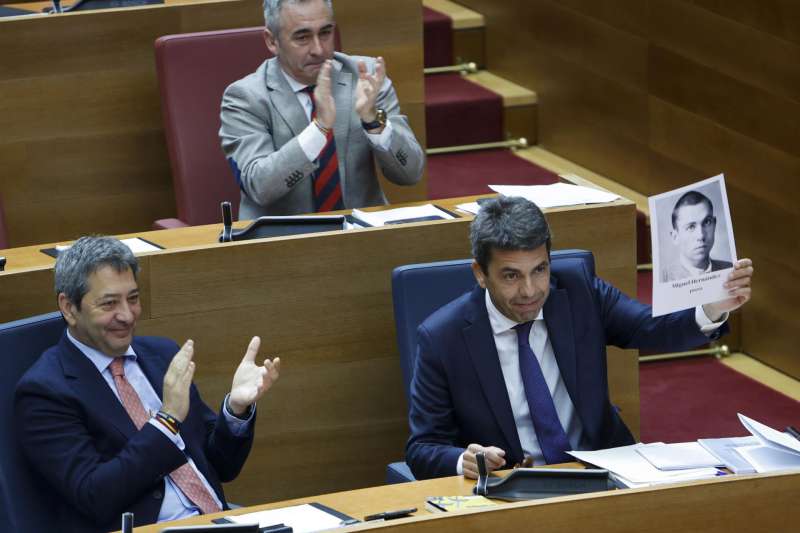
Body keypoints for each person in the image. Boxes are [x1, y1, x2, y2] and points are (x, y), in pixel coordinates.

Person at [405, 196, 753, 480]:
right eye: (511, 276)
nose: (529, 290)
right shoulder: (442, 337)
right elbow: (423, 447)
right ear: (480, 274)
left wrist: (711, 307)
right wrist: (461, 460)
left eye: (540, 270)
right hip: (516, 492)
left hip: (603, 471)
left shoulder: (578, 290)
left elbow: (650, 327)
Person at [14, 236, 281, 532]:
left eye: (133, 298)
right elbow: (95, 495)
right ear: (69, 307)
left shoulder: (162, 355)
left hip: (217, 521)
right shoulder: (44, 391)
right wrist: (166, 422)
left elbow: (221, 466)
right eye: (109, 303)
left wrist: (236, 409)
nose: (127, 316)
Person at [219, 0, 425, 219]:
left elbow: (411, 173)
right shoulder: (245, 98)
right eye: (302, 37)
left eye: (325, 33)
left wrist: (374, 122)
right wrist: (319, 129)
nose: (318, 49)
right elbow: (260, 187)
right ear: (272, 41)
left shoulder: (366, 77)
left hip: (362, 237)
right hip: (280, 241)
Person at [661, 190, 733, 282]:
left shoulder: (730, 270)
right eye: (691, 227)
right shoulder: (663, 280)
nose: (701, 235)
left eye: (707, 222)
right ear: (675, 237)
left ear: (714, 224)